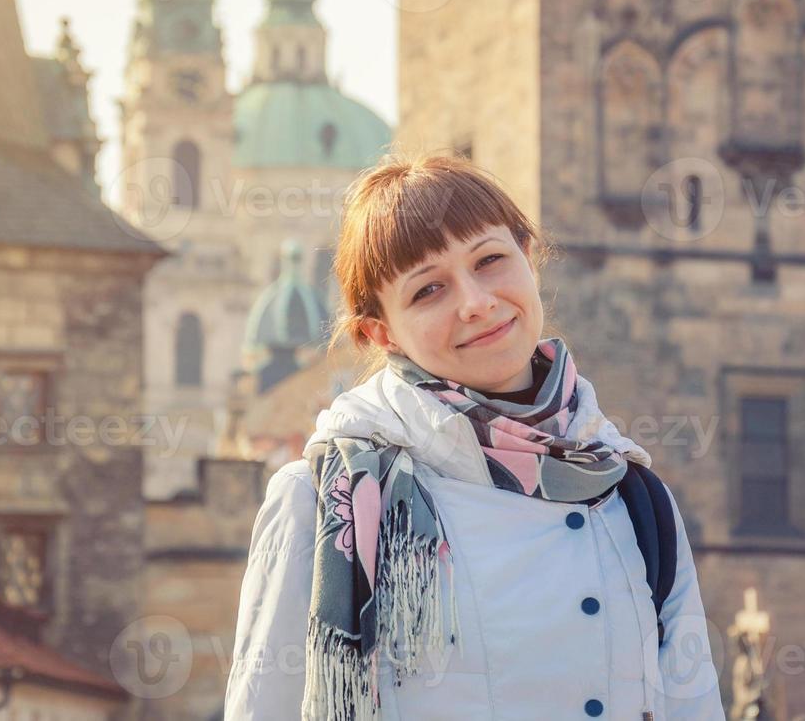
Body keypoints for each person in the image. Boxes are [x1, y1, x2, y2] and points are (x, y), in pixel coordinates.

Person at [223, 152, 724, 720]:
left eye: (489, 260)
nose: (476, 303)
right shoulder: (317, 502)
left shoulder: (635, 496)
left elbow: (694, 705)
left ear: (529, 258)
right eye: (428, 291)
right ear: (381, 332)